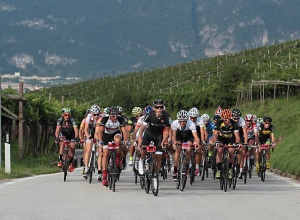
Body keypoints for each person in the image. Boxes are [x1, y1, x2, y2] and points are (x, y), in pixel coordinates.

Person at [137, 99, 171, 188]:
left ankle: (155, 174)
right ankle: (141, 162)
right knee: (144, 149)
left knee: (159, 156)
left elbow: (168, 130)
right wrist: (140, 138)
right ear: (154, 109)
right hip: (148, 134)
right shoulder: (149, 116)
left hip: (159, 136)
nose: (159, 109)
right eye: (157, 107)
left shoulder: (166, 116)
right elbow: (142, 128)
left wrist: (164, 141)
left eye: (161, 107)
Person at [98, 106, 128, 186]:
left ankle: (118, 159)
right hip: (106, 135)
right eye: (112, 116)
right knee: (105, 154)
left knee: (118, 140)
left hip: (115, 133)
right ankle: (104, 174)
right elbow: (100, 132)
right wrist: (100, 142)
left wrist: (125, 141)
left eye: (116, 115)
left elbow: (124, 131)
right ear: (109, 115)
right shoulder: (104, 119)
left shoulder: (120, 119)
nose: (114, 117)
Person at [209, 109, 240, 179]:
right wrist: (216, 142)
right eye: (225, 119)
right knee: (219, 150)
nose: (227, 121)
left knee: (231, 150)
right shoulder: (219, 123)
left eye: (228, 119)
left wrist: (237, 143)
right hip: (221, 138)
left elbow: (237, 137)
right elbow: (215, 134)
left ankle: (230, 169)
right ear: (222, 119)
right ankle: (219, 170)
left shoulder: (234, 124)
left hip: (230, 138)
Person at [171, 110, 200, 180]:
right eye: (180, 121)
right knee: (177, 150)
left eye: (184, 121)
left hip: (188, 135)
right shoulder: (175, 123)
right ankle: (175, 169)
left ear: (187, 120)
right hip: (179, 135)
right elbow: (174, 135)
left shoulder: (191, 124)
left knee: (189, 148)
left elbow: (196, 137)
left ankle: (187, 165)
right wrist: (174, 142)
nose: (182, 123)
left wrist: (197, 144)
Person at [55, 108, 79, 172]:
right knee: (62, 144)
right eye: (65, 115)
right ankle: (60, 160)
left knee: (72, 146)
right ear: (63, 115)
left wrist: (76, 138)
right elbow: (57, 130)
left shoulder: (72, 120)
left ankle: (71, 162)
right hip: (63, 134)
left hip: (71, 134)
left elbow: (76, 130)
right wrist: (57, 138)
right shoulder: (60, 120)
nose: (67, 117)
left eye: (68, 115)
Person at [82, 105, 102, 178]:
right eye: (94, 115)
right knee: (88, 150)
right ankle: (86, 167)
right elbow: (85, 129)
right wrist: (88, 136)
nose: (96, 116)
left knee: (100, 151)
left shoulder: (101, 117)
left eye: (97, 114)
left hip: (98, 131)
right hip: (91, 131)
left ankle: (100, 171)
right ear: (92, 113)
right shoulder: (89, 117)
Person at [188, 107, 206, 176]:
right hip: (189, 134)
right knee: (189, 148)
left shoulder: (200, 120)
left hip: (197, 134)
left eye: (194, 118)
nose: (192, 119)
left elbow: (202, 132)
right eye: (191, 117)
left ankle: (197, 167)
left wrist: (202, 140)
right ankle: (189, 164)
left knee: (198, 149)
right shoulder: (188, 120)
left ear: (197, 117)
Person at [232, 108, 248, 178]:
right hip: (231, 134)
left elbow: (245, 133)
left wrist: (245, 143)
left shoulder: (242, 121)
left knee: (241, 150)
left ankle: (239, 167)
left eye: (237, 118)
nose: (236, 120)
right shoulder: (229, 120)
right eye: (235, 119)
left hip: (240, 134)